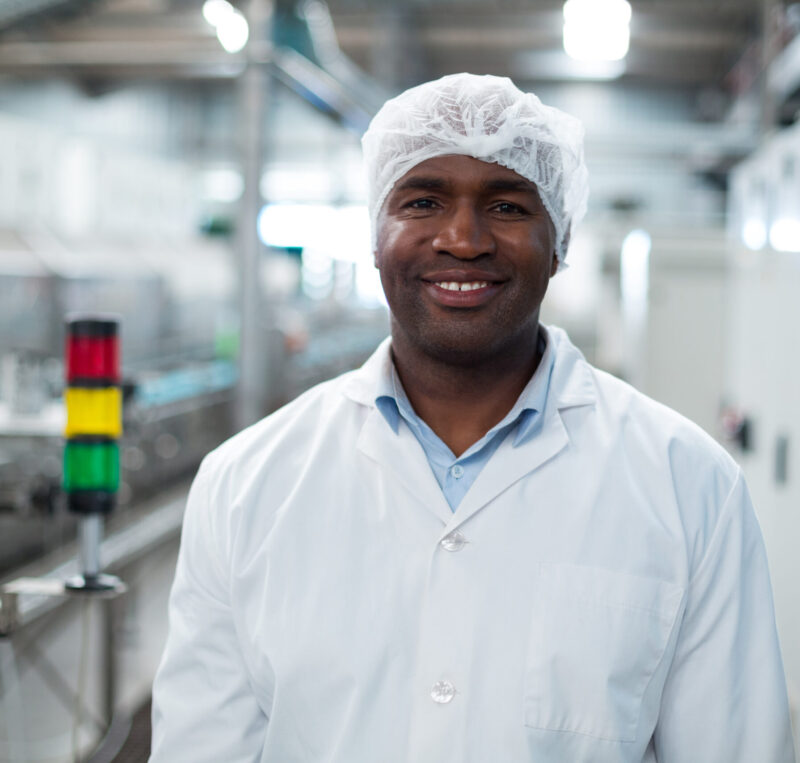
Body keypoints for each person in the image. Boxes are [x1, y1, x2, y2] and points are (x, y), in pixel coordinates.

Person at [150, 73, 796, 762]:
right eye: (423, 200)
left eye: (509, 205)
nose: (463, 238)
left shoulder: (688, 486)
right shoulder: (247, 484)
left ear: (560, 242)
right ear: (375, 236)